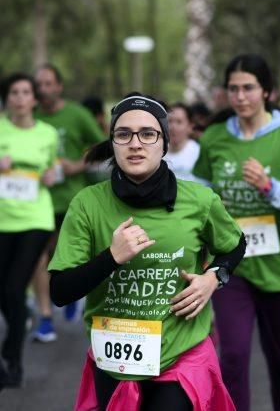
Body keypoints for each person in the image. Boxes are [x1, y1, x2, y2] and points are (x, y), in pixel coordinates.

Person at [47, 92, 243, 410]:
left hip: (180, 354)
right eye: (123, 134)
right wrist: (111, 257)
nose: (135, 143)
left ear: (164, 142)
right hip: (114, 355)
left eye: (148, 134)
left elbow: (234, 246)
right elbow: (60, 291)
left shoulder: (199, 200)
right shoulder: (87, 203)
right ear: (112, 143)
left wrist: (213, 278)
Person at [193, 54, 280, 411]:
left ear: (267, 91)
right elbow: (201, 196)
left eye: (248, 87)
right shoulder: (216, 136)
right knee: (231, 356)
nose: (240, 96)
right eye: (233, 88)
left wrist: (269, 186)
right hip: (232, 267)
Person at [32, 64, 106, 342]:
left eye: (49, 84)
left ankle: (71, 291)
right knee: (39, 258)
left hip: (73, 198)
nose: (44, 90)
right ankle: (46, 318)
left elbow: (105, 145)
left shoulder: (77, 114)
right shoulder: (31, 116)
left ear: (59, 86)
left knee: (69, 257)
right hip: (37, 202)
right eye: (39, 85)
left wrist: (76, 165)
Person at [0, 73, 58, 389]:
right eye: (14, 92)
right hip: (2, 218)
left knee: (13, 288)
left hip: (36, 218)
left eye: (26, 92)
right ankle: (20, 320)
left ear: (34, 99)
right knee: (4, 292)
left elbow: (53, 167)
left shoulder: (47, 134)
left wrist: (52, 174)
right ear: (7, 98)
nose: (20, 97)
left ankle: (12, 360)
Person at [164, 103, 202, 184]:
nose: (173, 127)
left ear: (190, 127)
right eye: (170, 121)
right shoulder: (157, 152)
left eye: (179, 122)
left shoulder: (199, 153)